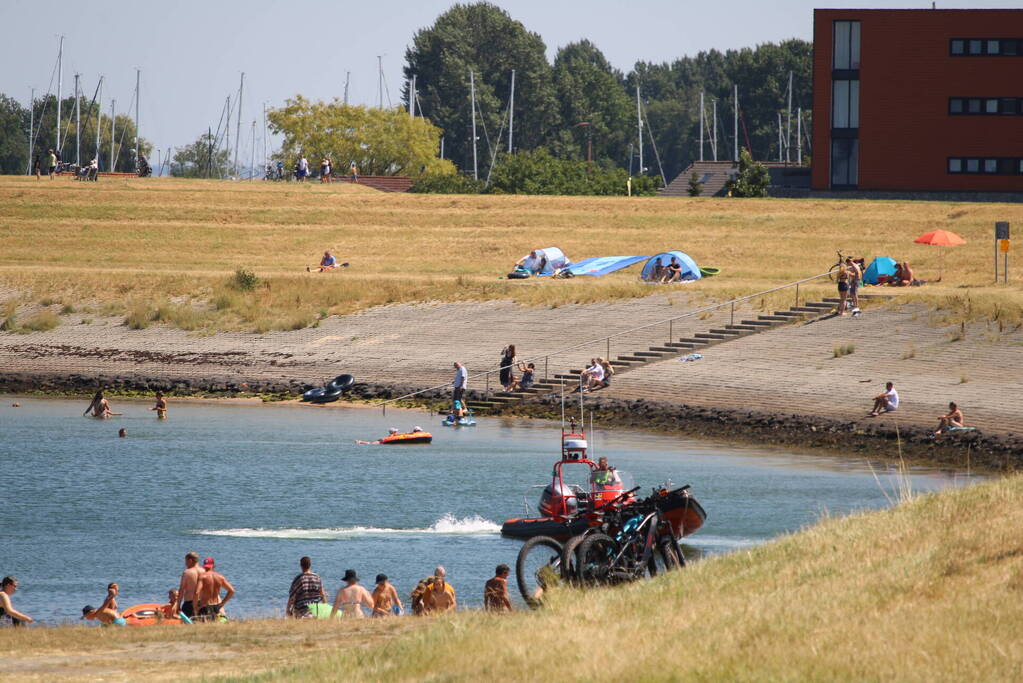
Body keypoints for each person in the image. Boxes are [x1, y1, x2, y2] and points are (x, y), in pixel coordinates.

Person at [196, 557, 235, 621]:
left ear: (204, 566)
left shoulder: (202, 577)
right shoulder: (220, 577)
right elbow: (232, 591)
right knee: (214, 622)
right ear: (213, 565)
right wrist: (222, 603)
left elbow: (197, 592)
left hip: (204, 606)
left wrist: (196, 606)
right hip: (216, 606)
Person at [175, 552, 203, 620]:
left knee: (187, 623)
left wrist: (178, 605)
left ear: (190, 560)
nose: (185, 564)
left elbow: (181, 590)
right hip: (203, 603)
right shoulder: (205, 571)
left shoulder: (187, 572)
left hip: (190, 603)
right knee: (202, 622)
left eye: (186, 561)